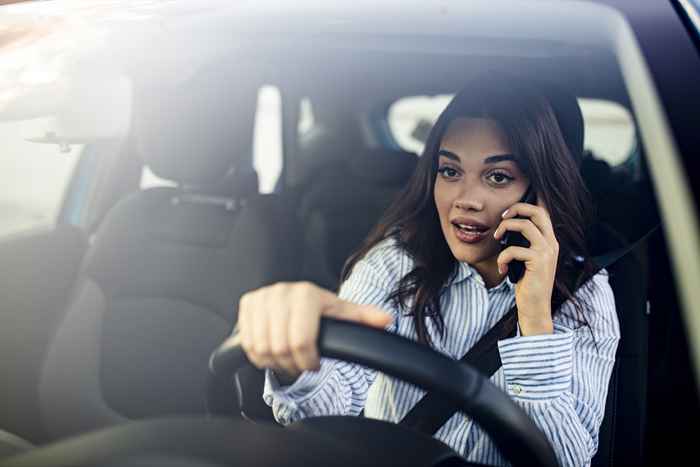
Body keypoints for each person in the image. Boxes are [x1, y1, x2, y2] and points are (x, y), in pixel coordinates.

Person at [236, 74, 620, 467]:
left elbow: (567, 461)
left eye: (498, 177)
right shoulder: (397, 262)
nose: (465, 200)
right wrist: (293, 359)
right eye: (450, 172)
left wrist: (536, 319)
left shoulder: (586, 294)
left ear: (539, 192)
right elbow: (325, 409)